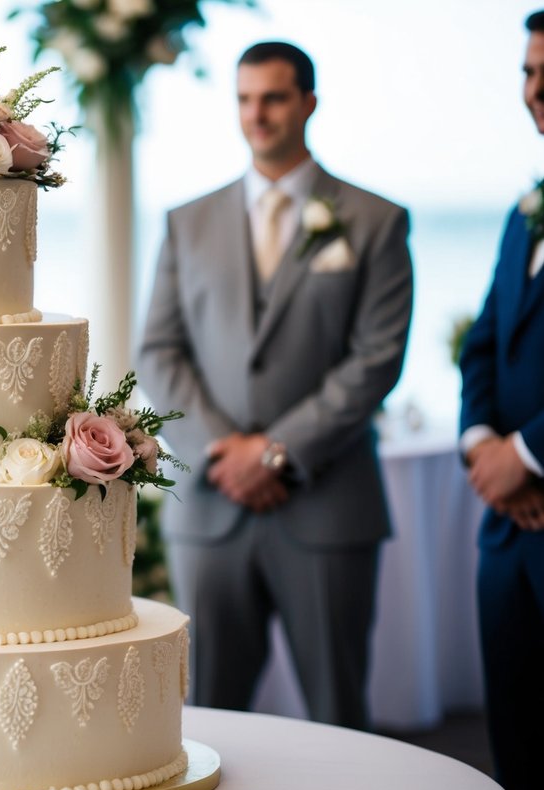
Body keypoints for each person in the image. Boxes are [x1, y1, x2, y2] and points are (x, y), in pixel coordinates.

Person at [137, 42, 413, 730]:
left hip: (326, 504)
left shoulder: (374, 220)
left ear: (308, 103)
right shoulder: (186, 222)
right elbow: (159, 352)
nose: (255, 114)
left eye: (273, 98)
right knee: (208, 721)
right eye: (243, 99)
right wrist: (221, 450)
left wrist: (275, 452)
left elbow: (377, 358)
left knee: (337, 715)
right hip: (211, 508)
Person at [458, 12, 544, 790]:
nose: (534, 90)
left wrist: (531, 454)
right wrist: (484, 445)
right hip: (507, 528)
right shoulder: (525, 210)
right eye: (527, 71)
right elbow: (483, 341)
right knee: (515, 749)